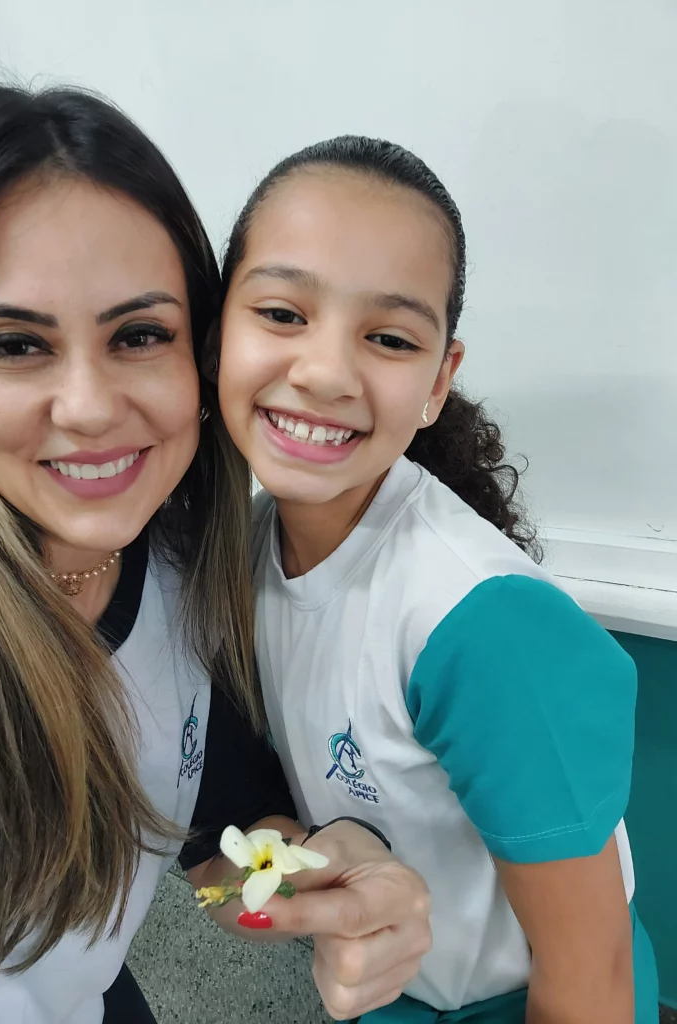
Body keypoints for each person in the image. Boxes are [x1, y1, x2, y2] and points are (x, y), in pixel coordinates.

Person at [0, 89, 432, 1024]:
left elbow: (216, 856)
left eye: (140, 335)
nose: (89, 406)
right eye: (15, 344)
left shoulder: (184, 574)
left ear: (203, 355)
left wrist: (311, 882)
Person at [217, 136, 660, 1022]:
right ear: (214, 329)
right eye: (281, 313)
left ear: (436, 382)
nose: (325, 372)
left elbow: (592, 976)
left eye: (388, 337)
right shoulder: (246, 553)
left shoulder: (480, 625)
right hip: (393, 994)